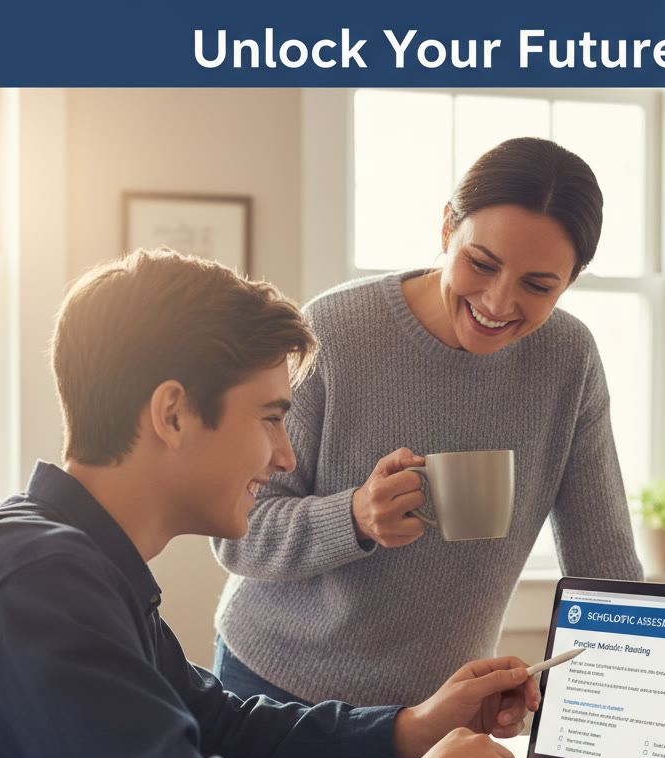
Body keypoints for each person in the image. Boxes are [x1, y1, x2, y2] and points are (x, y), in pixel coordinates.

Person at [0, 247, 538, 758]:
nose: (283, 457)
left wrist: (414, 728)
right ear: (173, 415)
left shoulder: (73, 563)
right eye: (270, 417)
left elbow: (217, 726)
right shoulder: (32, 586)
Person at [212, 136, 643, 712]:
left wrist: (650, 717)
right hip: (276, 690)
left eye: (538, 285)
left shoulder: (569, 358)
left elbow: (605, 566)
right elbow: (239, 531)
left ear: (574, 277)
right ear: (447, 229)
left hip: (438, 712)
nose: (497, 301)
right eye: (481, 263)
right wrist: (356, 516)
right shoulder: (336, 332)